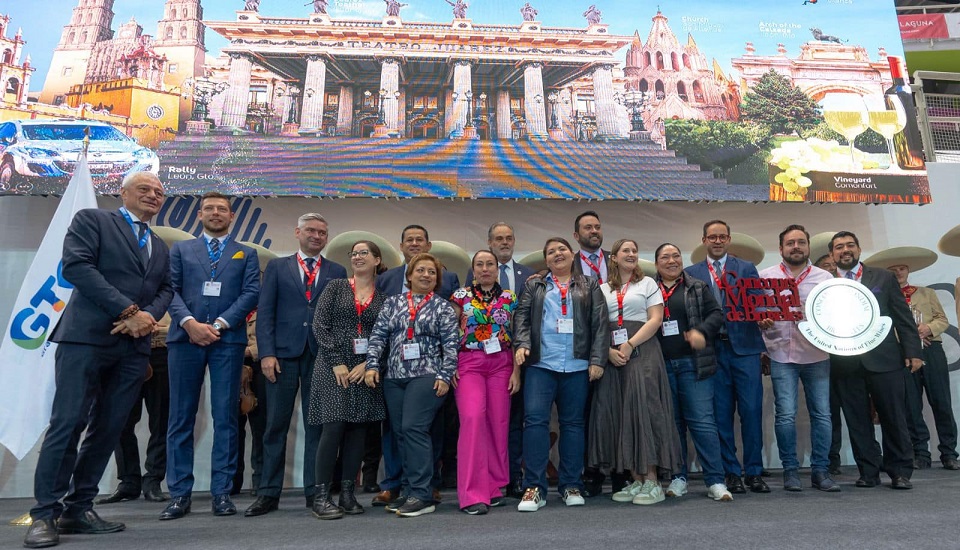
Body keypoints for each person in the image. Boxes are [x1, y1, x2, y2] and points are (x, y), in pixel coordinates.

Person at [25, 172, 172, 549]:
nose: (153, 195)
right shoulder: (94, 220)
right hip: (86, 339)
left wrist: (145, 319)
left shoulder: (159, 244)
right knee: (67, 424)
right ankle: (44, 514)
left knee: (108, 429)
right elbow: (77, 267)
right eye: (144, 189)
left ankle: (78, 507)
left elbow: (168, 288)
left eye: (158, 192)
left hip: (133, 348)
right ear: (122, 193)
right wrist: (128, 310)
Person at [162, 192, 260, 520]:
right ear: (200, 214)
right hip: (185, 339)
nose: (216, 213)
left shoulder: (245, 253)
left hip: (227, 341)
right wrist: (190, 323)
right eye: (209, 209)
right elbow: (170, 291)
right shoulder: (181, 250)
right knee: (180, 417)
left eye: (222, 209)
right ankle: (178, 493)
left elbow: (250, 294)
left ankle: (222, 492)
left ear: (232, 216)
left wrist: (218, 324)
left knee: (226, 418)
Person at [243, 213, 346, 517]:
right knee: (275, 426)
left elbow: (338, 319)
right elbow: (266, 313)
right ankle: (267, 493)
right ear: (297, 232)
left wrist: (335, 356)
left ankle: (316, 494)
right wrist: (267, 353)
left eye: (322, 232)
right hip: (281, 358)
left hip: (320, 357)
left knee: (316, 427)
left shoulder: (337, 270)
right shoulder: (277, 266)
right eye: (311, 230)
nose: (316, 236)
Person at [513, 237, 609, 512]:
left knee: (573, 425)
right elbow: (521, 317)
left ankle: (570, 484)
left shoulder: (589, 285)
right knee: (534, 423)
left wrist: (597, 359)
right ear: (546, 260)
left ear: (572, 255)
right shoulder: (534, 284)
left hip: (577, 365)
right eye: (551, 252)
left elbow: (600, 324)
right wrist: (522, 345)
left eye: (562, 250)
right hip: (542, 365)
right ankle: (534, 487)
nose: (558, 254)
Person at [365, 253, 459, 517]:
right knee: (400, 433)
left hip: (427, 375)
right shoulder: (392, 303)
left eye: (432, 272)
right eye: (421, 270)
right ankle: (407, 490)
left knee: (414, 428)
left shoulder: (442, 307)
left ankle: (422, 493)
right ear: (409, 275)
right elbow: (378, 336)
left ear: (437, 279)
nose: (426, 275)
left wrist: (444, 375)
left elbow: (451, 345)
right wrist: (372, 365)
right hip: (394, 377)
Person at [590, 239, 680, 506]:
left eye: (634, 250)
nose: (631, 254)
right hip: (612, 356)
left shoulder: (648, 284)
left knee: (645, 411)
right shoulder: (602, 288)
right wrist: (607, 351)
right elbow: (596, 325)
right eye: (625, 251)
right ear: (614, 258)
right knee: (621, 413)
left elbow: (655, 319)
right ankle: (635, 479)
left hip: (642, 351)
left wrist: (629, 344)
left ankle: (652, 481)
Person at [829, 231, 922, 489]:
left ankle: (900, 471)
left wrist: (913, 351)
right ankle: (868, 472)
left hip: (885, 358)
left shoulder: (883, 277)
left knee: (894, 416)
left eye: (849, 245)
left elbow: (902, 317)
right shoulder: (825, 283)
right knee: (857, 420)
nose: (845, 250)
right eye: (839, 247)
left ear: (858, 249)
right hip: (845, 362)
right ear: (832, 255)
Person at [685, 220, 768, 494]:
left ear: (729, 239)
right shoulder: (692, 273)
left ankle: (754, 471)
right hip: (713, 351)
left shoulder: (746, 268)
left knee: (752, 412)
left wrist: (765, 317)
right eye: (712, 237)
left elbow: (757, 302)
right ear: (704, 240)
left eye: (722, 237)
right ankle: (731, 472)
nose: (717, 241)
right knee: (720, 415)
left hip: (745, 348)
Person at [311, 241, 389, 519]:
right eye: (353, 253)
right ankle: (321, 497)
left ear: (377, 260)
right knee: (333, 428)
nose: (357, 257)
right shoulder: (335, 287)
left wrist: (367, 363)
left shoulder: (383, 298)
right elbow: (319, 325)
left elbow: (385, 336)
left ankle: (347, 494)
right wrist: (338, 363)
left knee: (358, 430)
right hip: (333, 369)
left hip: (364, 371)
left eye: (363, 253)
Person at [757, 225, 839, 492]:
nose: (796, 247)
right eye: (790, 243)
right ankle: (790, 471)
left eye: (801, 242)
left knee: (822, 415)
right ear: (781, 248)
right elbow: (756, 312)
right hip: (780, 354)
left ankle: (820, 471)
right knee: (785, 416)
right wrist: (762, 320)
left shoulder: (825, 277)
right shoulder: (764, 276)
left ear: (807, 246)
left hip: (817, 353)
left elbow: (836, 315)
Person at [653, 244, 732, 502]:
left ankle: (715, 480)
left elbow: (717, 314)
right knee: (672, 425)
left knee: (703, 422)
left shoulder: (697, 286)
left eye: (676, 255)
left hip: (693, 364)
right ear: (656, 264)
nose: (672, 260)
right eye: (665, 257)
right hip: (661, 366)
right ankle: (678, 477)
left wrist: (702, 332)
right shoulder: (647, 288)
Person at [465, 222, 533, 498]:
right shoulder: (464, 289)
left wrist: (519, 365)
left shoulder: (523, 281)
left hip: (513, 362)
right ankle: (479, 484)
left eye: (508, 238)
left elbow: (522, 327)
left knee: (508, 422)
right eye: (498, 239)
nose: (504, 242)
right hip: (473, 364)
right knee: (478, 419)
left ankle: (507, 479)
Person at [450, 250, 520, 515]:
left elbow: (515, 334)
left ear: (497, 268)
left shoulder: (509, 298)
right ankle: (471, 494)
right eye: (479, 264)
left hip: (502, 363)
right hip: (469, 363)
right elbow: (449, 330)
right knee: (473, 420)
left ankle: (492, 487)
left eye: (490, 263)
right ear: (473, 269)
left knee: (497, 423)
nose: (485, 268)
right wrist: (449, 364)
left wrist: (516, 371)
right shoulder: (460, 296)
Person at [876, 250, 958, 471]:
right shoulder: (884, 297)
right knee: (911, 406)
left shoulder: (927, 293)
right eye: (893, 271)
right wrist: (908, 338)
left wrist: (927, 329)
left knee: (941, 402)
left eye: (901, 269)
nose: (898, 273)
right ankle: (920, 453)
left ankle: (949, 453)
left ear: (908, 270)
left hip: (932, 349)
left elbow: (942, 319)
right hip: (903, 353)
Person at [96, 313, 172, 506]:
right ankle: (128, 481)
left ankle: (153, 480)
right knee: (120, 420)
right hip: (125, 350)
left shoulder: (167, 285)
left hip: (162, 349)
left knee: (161, 420)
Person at [570, 211, 617, 496]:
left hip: (621, 342)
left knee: (618, 409)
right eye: (588, 228)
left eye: (598, 227)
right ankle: (591, 471)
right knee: (587, 412)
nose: (594, 231)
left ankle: (621, 468)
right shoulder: (566, 264)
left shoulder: (617, 260)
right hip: (582, 346)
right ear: (577, 235)